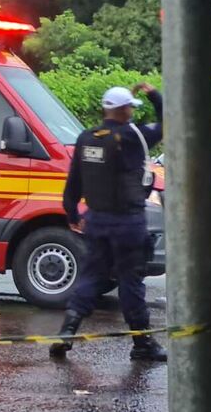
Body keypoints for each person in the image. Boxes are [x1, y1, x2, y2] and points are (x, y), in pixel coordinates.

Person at [50, 84, 167, 362]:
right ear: (124, 109)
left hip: (96, 221)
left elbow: (74, 181)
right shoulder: (132, 136)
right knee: (130, 281)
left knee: (92, 276)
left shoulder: (86, 138)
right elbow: (168, 123)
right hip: (128, 222)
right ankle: (142, 344)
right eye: (129, 107)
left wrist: (72, 214)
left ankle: (68, 330)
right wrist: (153, 95)